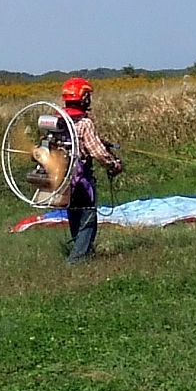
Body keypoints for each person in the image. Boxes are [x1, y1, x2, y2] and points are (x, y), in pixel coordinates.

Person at [60, 77, 123, 265]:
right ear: (83, 98)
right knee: (88, 218)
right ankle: (76, 260)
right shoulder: (85, 123)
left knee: (74, 214)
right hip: (80, 179)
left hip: (61, 178)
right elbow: (97, 152)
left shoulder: (59, 119)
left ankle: (84, 253)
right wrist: (114, 164)